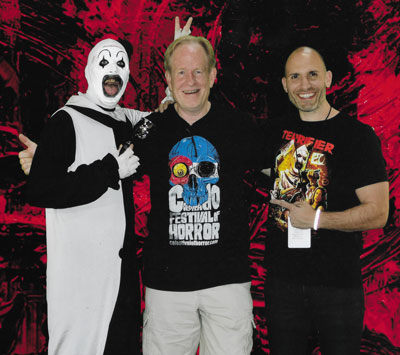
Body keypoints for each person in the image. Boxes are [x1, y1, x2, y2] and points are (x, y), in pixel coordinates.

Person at [20, 18, 192, 355]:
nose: (113, 69)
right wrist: (109, 169)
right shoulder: (65, 120)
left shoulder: (125, 119)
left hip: (122, 271)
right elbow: (41, 190)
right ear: (88, 72)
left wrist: (177, 58)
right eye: (104, 62)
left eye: (120, 64)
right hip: (82, 272)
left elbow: (162, 118)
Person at [133, 35, 266, 355]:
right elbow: (108, 162)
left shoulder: (240, 126)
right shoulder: (150, 129)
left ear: (213, 75)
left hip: (227, 284)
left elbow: (280, 168)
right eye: (180, 72)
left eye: (198, 71)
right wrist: (51, 158)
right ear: (167, 78)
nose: (190, 81)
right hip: (166, 288)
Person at [263, 46, 389, 355]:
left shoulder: (357, 137)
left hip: (338, 287)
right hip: (284, 286)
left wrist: (317, 220)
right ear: (284, 84)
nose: (304, 85)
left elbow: (378, 213)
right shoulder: (269, 133)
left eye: (312, 75)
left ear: (329, 79)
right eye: (295, 76)